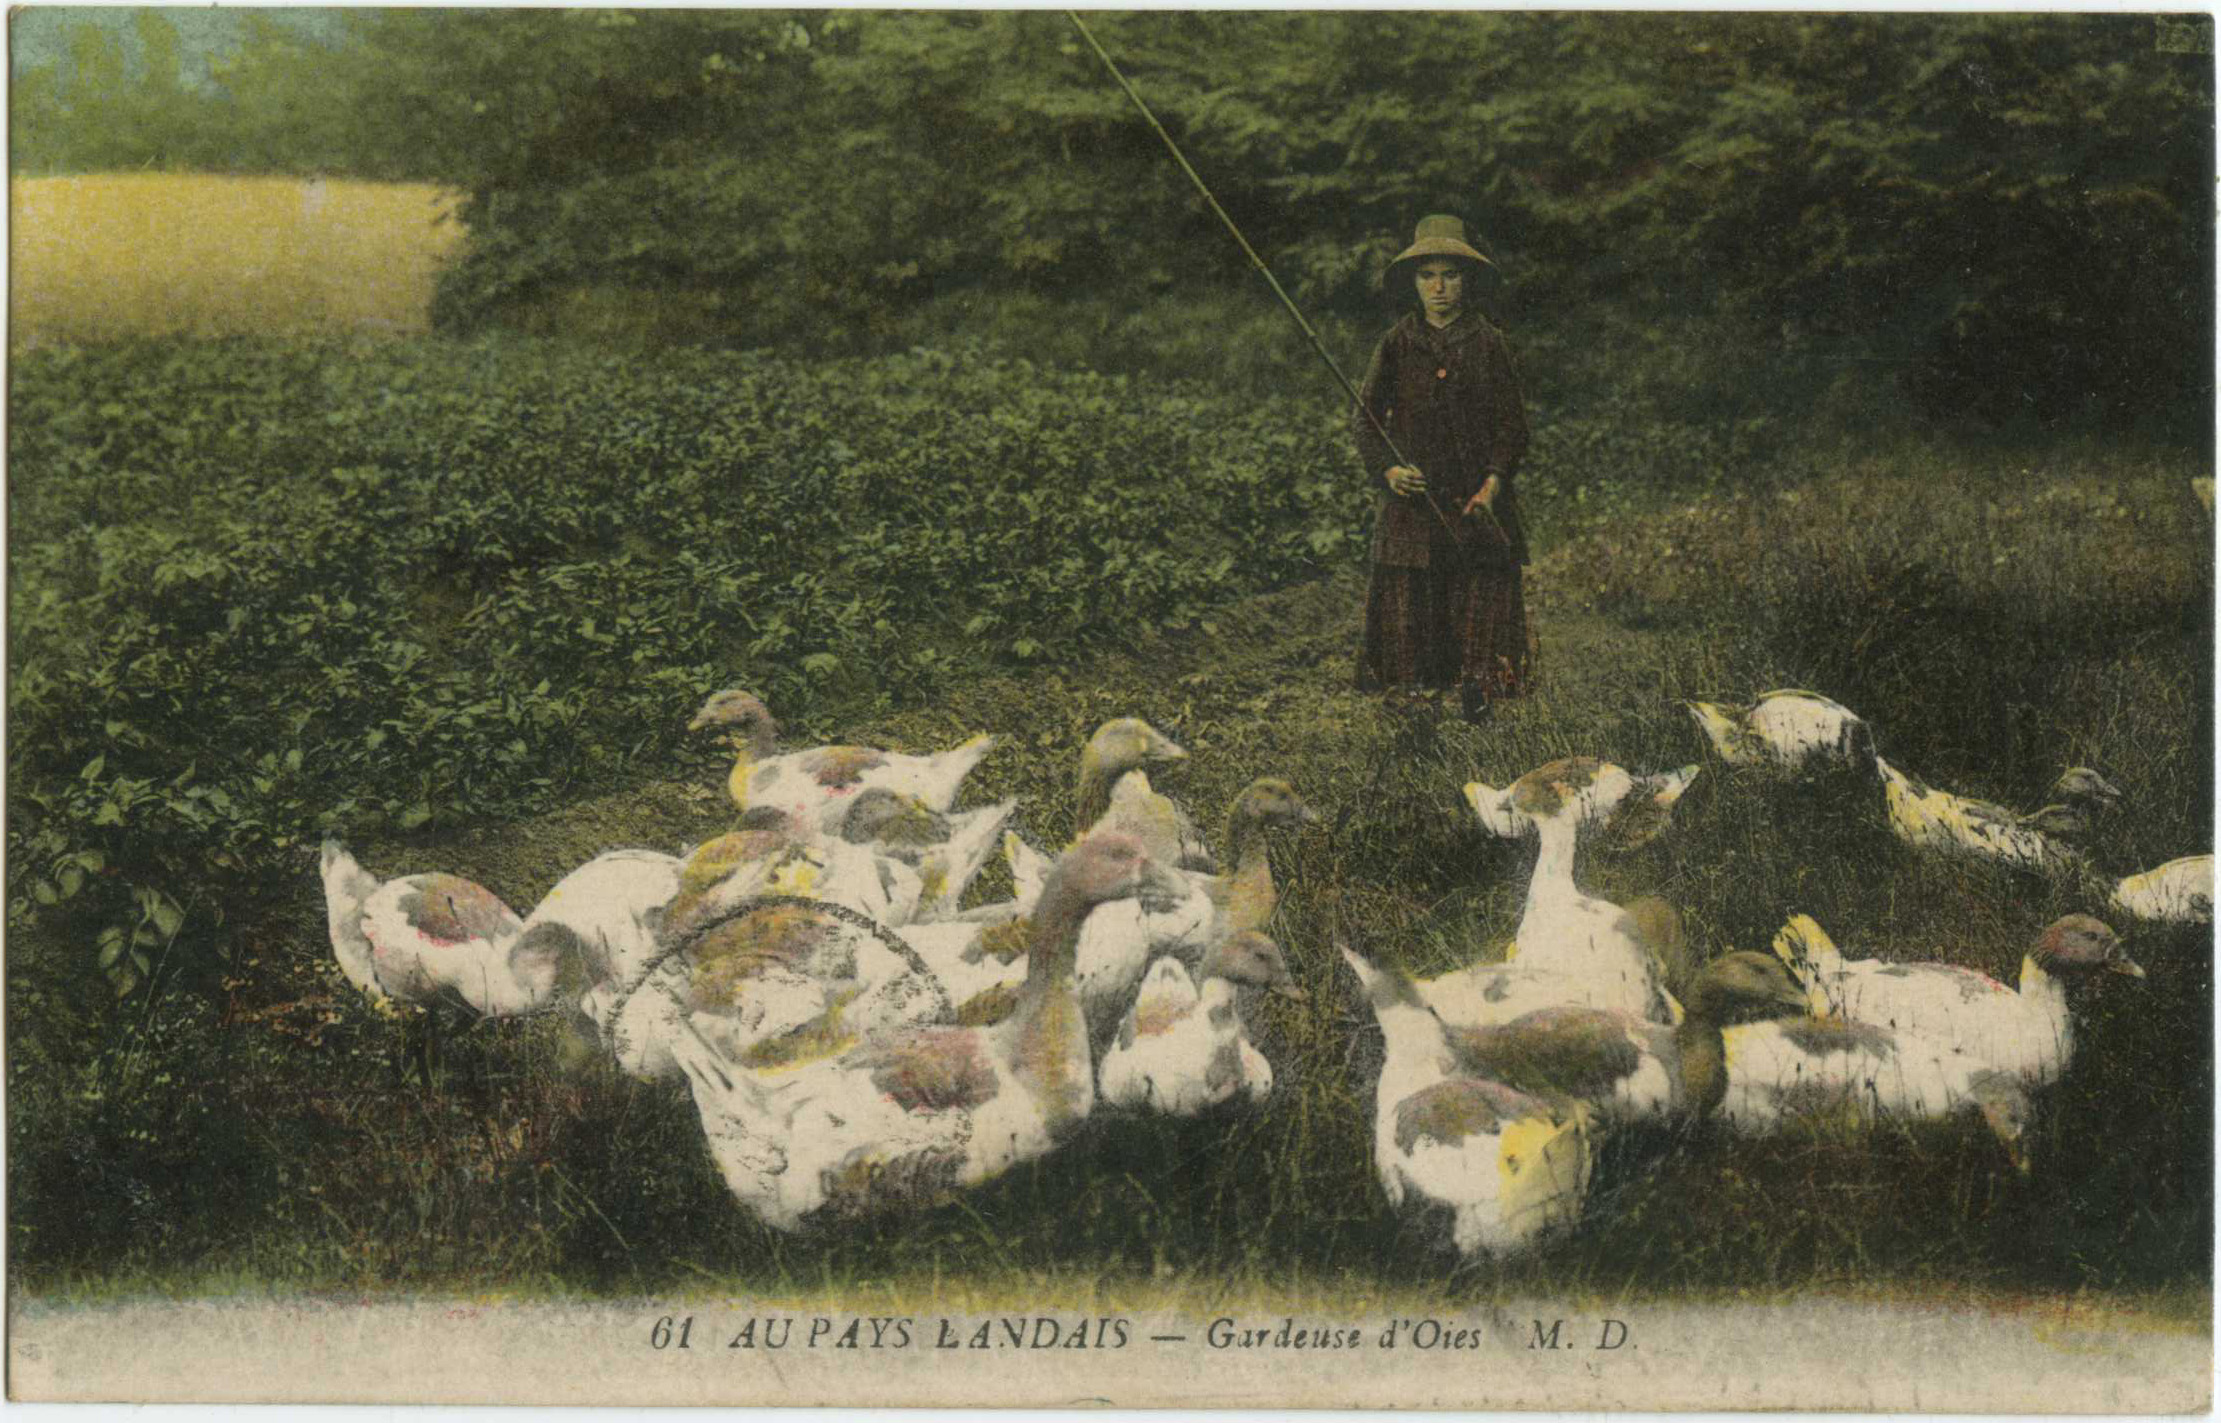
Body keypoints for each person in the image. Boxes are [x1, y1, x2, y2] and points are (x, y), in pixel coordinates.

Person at [1351, 214, 1532, 723]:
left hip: (1474, 500)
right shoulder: (1396, 343)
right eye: (1427, 275)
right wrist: (1389, 471)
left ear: (1466, 281)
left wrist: (1493, 483)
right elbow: (1365, 423)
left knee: (1479, 604)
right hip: (1413, 504)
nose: (1439, 287)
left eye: (1450, 275)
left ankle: (1477, 703)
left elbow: (1512, 426)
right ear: (1413, 282)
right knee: (1412, 612)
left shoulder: (1488, 342)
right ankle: (1413, 710)